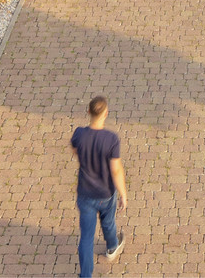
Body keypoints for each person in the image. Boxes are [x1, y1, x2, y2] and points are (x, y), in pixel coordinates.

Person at [71, 96, 127, 276]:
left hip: (85, 194)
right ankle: (112, 246)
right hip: (105, 193)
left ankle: (85, 275)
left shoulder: (79, 134)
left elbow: (75, 151)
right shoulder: (111, 139)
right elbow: (116, 170)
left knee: (86, 238)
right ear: (106, 114)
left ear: (88, 112)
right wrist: (123, 194)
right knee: (108, 221)